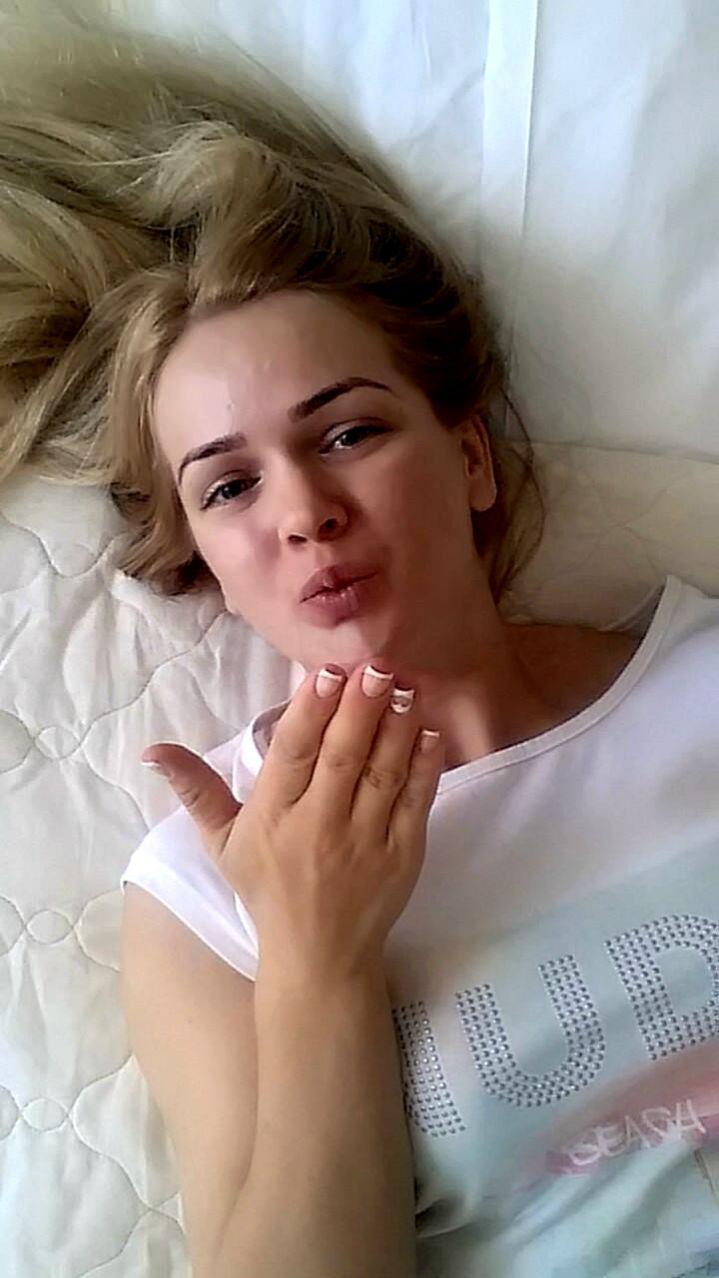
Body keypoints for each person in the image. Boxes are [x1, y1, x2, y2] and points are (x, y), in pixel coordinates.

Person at [2, 10, 718, 1278]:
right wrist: (315, 958)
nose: (303, 511)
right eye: (228, 487)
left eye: (347, 433)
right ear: (204, 564)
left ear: (470, 458)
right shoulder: (199, 898)